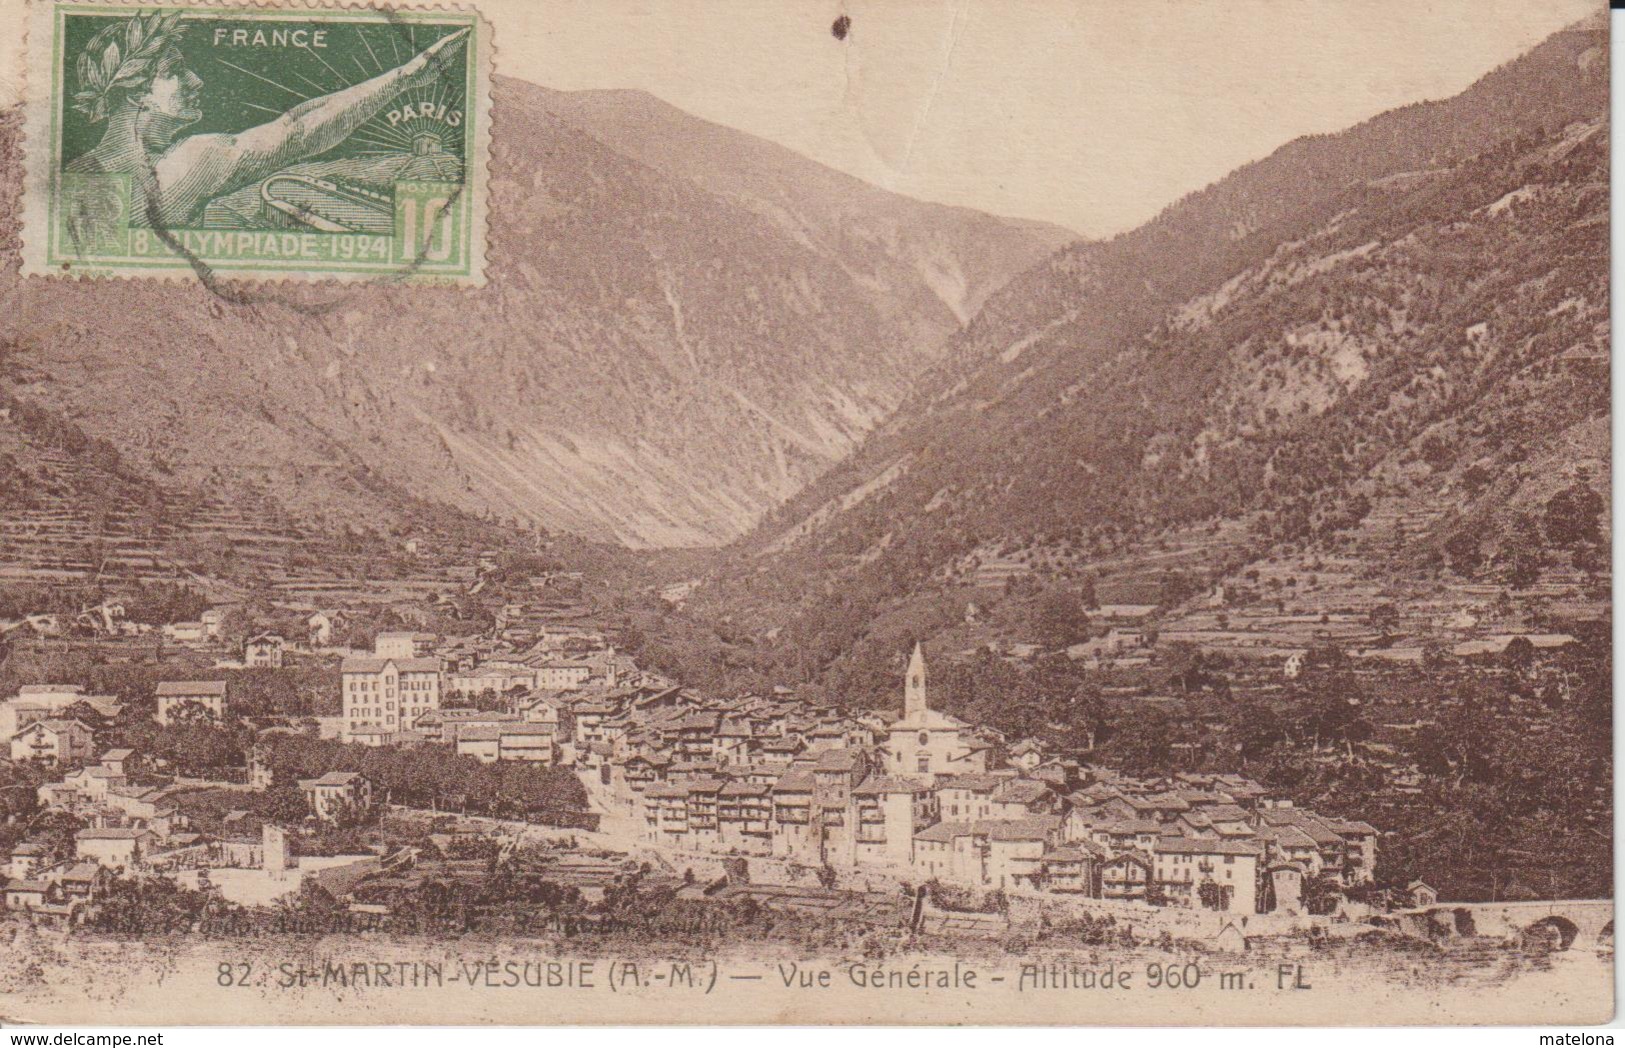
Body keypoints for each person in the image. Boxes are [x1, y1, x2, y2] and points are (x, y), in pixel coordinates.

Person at [67, 11, 468, 228]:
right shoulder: (185, 162)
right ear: (137, 93)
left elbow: (296, 123)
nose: (195, 80)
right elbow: (296, 132)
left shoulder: (80, 174)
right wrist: (404, 79)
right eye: (174, 71)